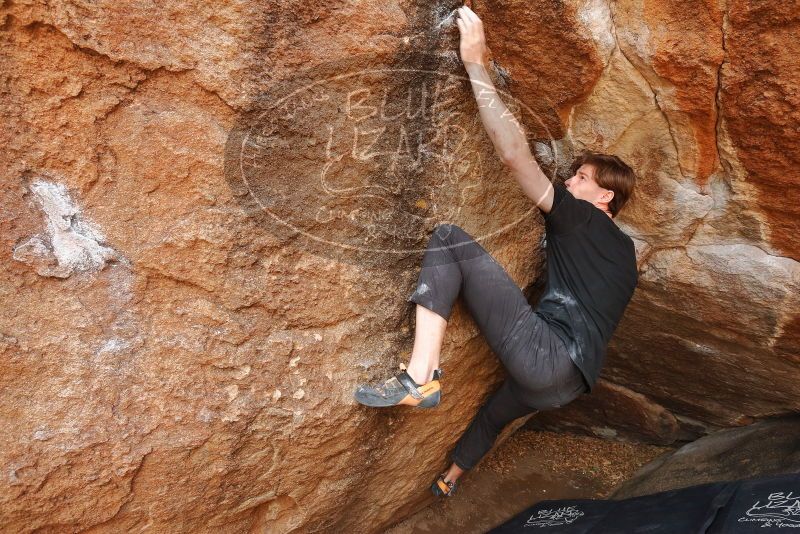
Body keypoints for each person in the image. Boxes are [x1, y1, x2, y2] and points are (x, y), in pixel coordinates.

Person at [353, 4, 639, 498]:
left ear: (604, 196)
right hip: (562, 387)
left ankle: (420, 376)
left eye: (581, 178)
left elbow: (514, 156)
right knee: (496, 412)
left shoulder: (580, 215)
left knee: (448, 239)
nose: (569, 183)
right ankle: (450, 480)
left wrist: (475, 63)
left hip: (548, 356)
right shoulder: (627, 258)